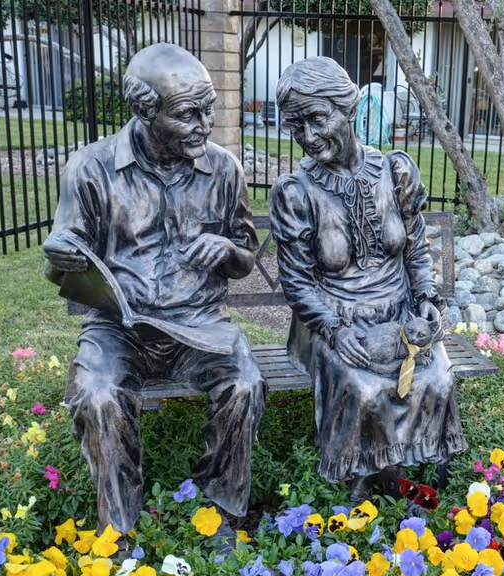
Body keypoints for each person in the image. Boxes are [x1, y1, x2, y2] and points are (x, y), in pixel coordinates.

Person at [43, 43, 266, 534]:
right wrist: (62, 254)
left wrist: (227, 250)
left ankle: (222, 513)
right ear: (146, 111)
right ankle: (118, 532)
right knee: (99, 395)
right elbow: (65, 254)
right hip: (119, 329)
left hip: (200, 328)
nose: (205, 126)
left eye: (209, 110)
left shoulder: (224, 169)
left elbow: (247, 256)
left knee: (245, 385)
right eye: (189, 115)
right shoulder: (92, 168)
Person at [269, 57, 465, 502]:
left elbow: (415, 247)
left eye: (317, 120)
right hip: (331, 321)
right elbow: (297, 282)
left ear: (350, 109)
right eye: (295, 126)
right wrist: (334, 329)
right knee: (364, 388)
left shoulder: (395, 171)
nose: (308, 136)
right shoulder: (295, 192)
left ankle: (420, 483)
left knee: (437, 380)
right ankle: (359, 486)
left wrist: (426, 298)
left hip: (399, 316)